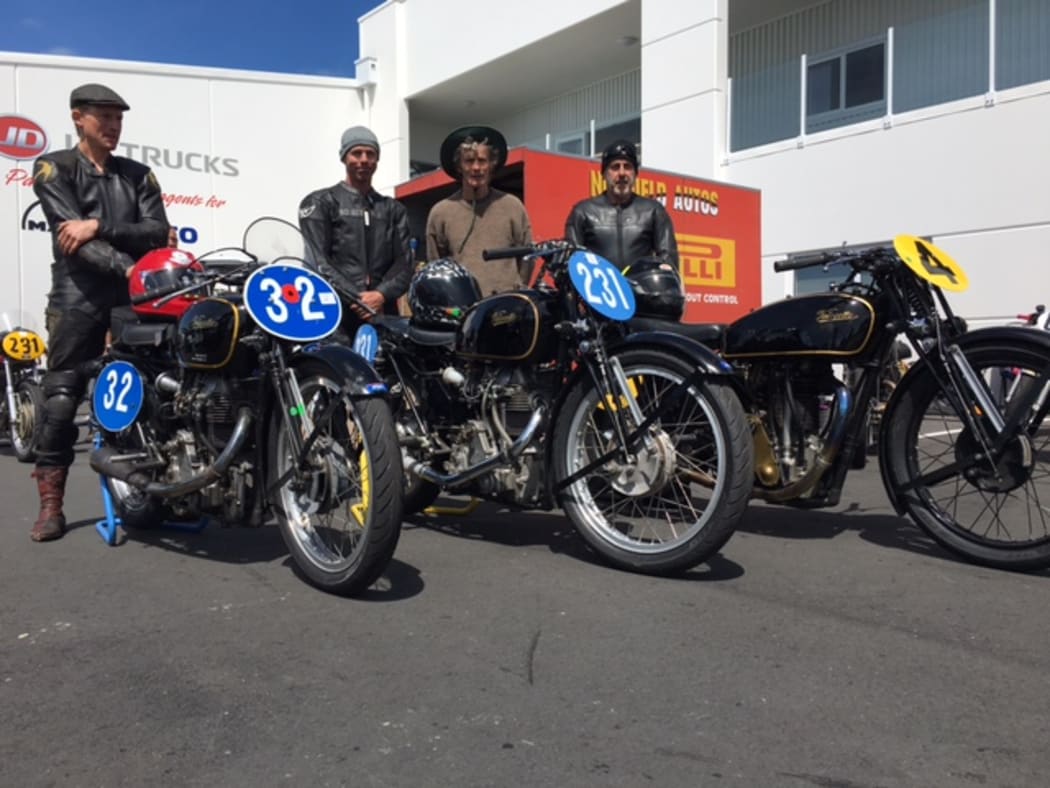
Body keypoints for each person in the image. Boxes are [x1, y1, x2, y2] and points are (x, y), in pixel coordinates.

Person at [29, 83, 170, 542]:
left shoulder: (139, 174)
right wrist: (129, 265)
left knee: (152, 392)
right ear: (77, 117)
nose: (112, 126)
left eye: (118, 118)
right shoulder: (54, 167)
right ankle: (52, 505)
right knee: (63, 397)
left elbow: (157, 231)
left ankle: (150, 492)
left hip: (132, 300)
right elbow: (75, 243)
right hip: (78, 296)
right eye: (103, 117)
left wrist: (101, 225)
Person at [298, 126, 412, 331]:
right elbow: (318, 262)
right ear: (344, 157)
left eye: (370, 154)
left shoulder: (393, 209)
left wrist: (381, 295)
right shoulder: (320, 202)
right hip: (336, 314)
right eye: (356, 153)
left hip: (383, 312)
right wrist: (358, 299)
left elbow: (404, 262)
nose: (364, 160)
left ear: (377, 160)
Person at [425, 125, 533, 295]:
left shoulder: (512, 206)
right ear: (459, 166)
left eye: (482, 161)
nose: (476, 168)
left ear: (492, 165)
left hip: (506, 308)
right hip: (461, 312)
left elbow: (527, 256)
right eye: (469, 161)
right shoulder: (440, 213)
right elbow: (435, 266)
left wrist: (517, 291)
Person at [564, 140, 678, 269]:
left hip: (640, 288)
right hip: (597, 288)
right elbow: (572, 261)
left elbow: (668, 260)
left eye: (628, 166)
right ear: (604, 174)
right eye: (615, 167)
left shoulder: (653, 211)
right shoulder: (583, 212)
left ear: (635, 174)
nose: (622, 173)